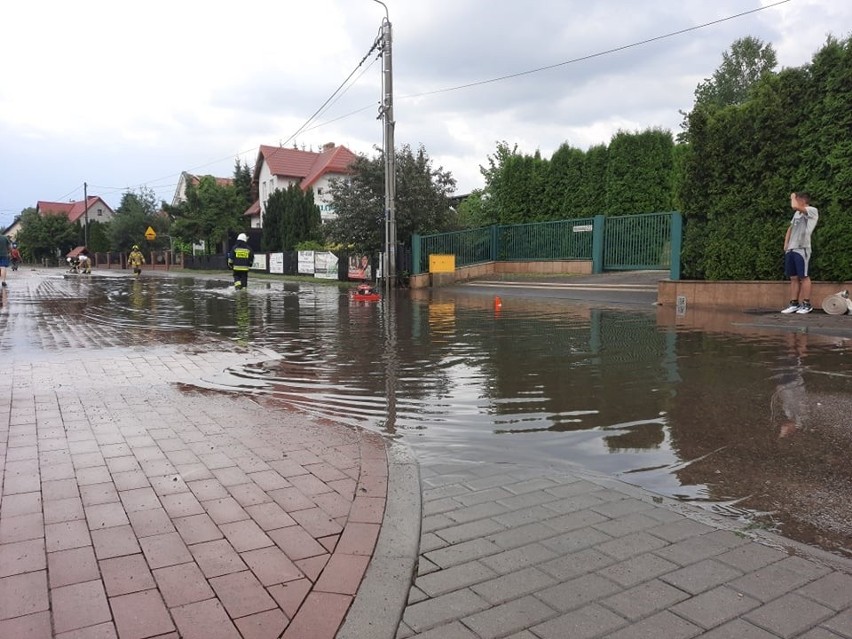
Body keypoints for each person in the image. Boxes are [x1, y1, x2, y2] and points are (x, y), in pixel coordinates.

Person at [781, 192, 819, 314]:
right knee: (793, 277)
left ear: (802, 200)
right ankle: (794, 303)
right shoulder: (797, 214)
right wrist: (786, 244)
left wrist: (793, 196)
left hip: (802, 248)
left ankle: (806, 304)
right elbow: (790, 228)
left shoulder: (812, 210)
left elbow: (795, 206)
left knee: (804, 276)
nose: (794, 201)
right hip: (792, 248)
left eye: (797, 200)